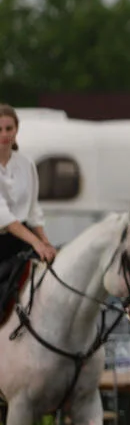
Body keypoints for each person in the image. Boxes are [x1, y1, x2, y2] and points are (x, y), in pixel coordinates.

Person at [0, 103, 57, 303]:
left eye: (9, 128)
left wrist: (46, 243)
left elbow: (33, 211)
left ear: (16, 130)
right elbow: (4, 217)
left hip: (21, 242)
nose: (5, 134)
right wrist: (36, 243)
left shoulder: (26, 164)